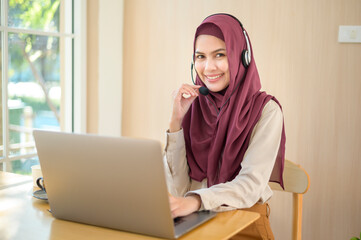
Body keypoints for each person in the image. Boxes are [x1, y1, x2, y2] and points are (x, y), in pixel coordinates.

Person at [163, 13, 286, 239]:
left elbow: (250, 185)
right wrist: (176, 123)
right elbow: (178, 190)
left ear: (243, 57)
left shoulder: (266, 111)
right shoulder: (194, 105)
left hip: (245, 223)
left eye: (220, 55)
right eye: (200, 56)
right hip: (194, 224)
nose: (208, 67)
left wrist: (195, 200)